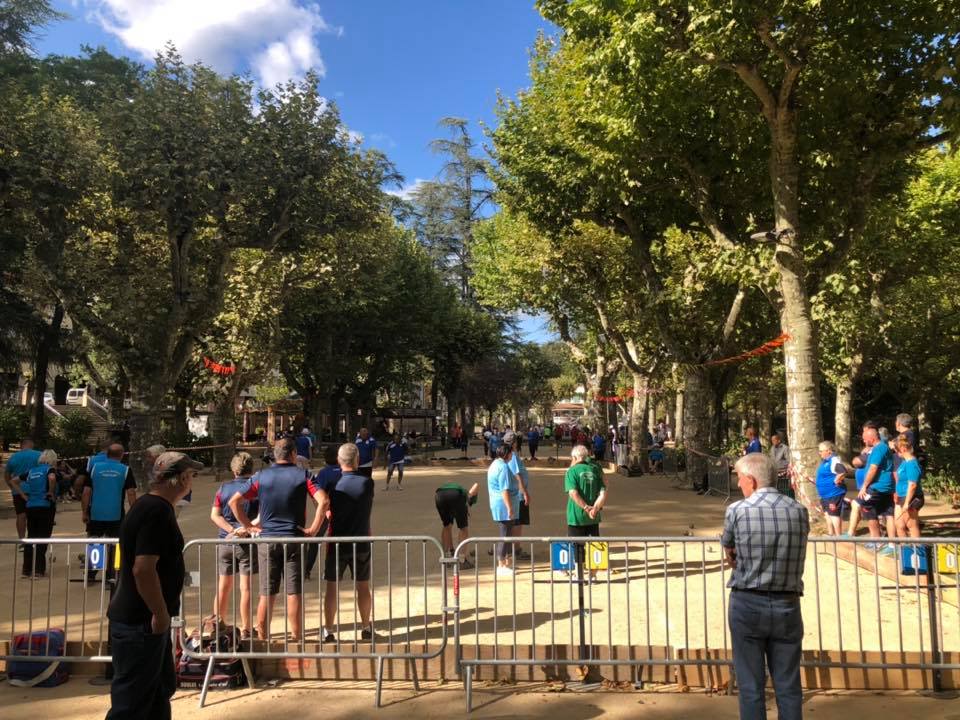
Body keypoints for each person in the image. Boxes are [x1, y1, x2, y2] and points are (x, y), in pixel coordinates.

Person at [105, 451, 199, 720]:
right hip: (140, 621)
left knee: (157, 693)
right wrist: (159, 612)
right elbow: (143, 569)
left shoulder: (150, 506)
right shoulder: (155, 511)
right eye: (191, 475)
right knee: (132, 702)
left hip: (144, 621)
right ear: (180, 478)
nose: (192, 481)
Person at [722, 453, 809, 720]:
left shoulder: (737, 510)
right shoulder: (799, 510)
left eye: (739, 478)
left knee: (750, 686)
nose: (738, 485)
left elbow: (729, 548)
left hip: (748, 602)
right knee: (788, 685)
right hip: (787, 603)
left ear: (751, 480)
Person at [229, 437, 326, 641]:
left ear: (275, 455)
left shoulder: (260, 476)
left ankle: (263, 638)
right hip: (294, 538)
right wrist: (314, 529)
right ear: (293, 455)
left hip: (267, 540)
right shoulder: (304, 475)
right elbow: (323, 500)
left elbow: (234, 502)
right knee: (293, 592)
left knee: (267, 593)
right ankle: (296, 637)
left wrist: (248, 526)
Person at [321, 443, 375, 643]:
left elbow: (324, 506)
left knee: (332, 587)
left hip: (337, 540)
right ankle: (365, 626)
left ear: (339, 461)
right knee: (363, 585)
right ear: (357, 460)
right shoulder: (367, 483)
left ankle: (328, 629)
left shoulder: (333, 484)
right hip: (361, 538)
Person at [210, 452, 260, 639]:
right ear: (251, 469)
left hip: (225, 540)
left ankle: (217, 624)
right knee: (245, 587)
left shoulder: (223, 488)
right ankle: (247, 627)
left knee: (223, 585)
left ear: (233, 470)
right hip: (247, 542)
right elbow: (261, 515)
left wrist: (231, 530)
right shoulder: (255, 488)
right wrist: (246, 528)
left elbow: (215, 515)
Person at [82, 442, 137, 582]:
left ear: (107, 454)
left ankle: (91, 574)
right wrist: (135, 512)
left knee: (95, 542)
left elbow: (86, 492)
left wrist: (84, 512)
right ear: (122, 455)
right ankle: (112, 575)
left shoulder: (94, 469)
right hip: (116, 513)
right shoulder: (125, 470)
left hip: (96, 512)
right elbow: (131, 493)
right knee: (116, 544)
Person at [12, 449, 57, 577]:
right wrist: (51, 492)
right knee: (43, 537)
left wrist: (22, 495)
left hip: (31, 505)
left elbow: (14, 481)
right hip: (45, 506)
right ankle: (38, 569)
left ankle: (26, 569)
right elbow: (52, 478)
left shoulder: (32, 471)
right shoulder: (49, 469)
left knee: (31, 536)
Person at [564, 444, 608, 576]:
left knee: (578, 545)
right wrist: (595, 507)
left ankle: (579, 573)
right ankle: (593, 573)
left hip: (576, 515)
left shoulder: (571, 472)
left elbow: (573, 493)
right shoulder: (594, 469)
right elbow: (603, 491)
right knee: (594, 543)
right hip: (593, 515)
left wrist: (585, 507)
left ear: (575, 457)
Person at [857, 422, 897, 550]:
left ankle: (876, 541)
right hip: (886, 487)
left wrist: (864, 486)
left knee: (866, 507)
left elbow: (873, 468)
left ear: (872, 438)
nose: (863, 440)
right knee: (889, 513)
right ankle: (892, 544)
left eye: (864, 438)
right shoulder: (882, 447)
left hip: (877, 487)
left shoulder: (879, 448)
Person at [305, 445, 340, 580]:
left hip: (327, 511)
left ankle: (307, 569)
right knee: (340, 540)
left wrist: (321, 509)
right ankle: (332, 569)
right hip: (342, 512)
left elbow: (316, 495)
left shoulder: (324, 473)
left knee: (316, 539)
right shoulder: (344, 471)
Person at [487, 444, 520, 577]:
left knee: (506, 533)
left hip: (497, 502)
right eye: (511, 454)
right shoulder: (503, 467)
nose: (512, 456)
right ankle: (500, 564)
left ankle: (504, 562)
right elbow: (504, 489)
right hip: (503, 504)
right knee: (505, 534)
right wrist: (509, 507)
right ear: (507, 454)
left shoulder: (495, 464)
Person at [435, 480, 479, 566]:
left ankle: (446, 556)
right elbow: (476, 486)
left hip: (439, 495)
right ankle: (462, 560)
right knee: (463, 528)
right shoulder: (466, 494)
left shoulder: (459, 489)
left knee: (447, 526)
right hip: (455, 495)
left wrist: (452, 549)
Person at [4, 436, 41, 539]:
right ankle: (34, 539)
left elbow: (7, 475)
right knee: (35, 515)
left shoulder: (13, 457)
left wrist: (11, 487)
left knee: (21, 515)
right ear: (31, 444)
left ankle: (22, 540)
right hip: (36, 489)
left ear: (21, 445)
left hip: (18, 489)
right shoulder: (39, 455)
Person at [503, 431, 532, 558]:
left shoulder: (509, 455)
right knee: (518, 523)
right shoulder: (513, 456)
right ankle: (515, 549)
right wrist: (524, 492)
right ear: (514, 443)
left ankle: (508, 548)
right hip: (518, 494)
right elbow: (517, 475)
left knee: (514, 523)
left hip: (515, 493)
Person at [814, 441, 847, 536]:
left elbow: (843, 471)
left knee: (834, 515)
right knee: (827, 515)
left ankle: (838, 536)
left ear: (828, 451)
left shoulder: (834, 460)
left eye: (821, 451)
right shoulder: (825, 462)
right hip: (825, 495)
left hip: (833, 494)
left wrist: (836, 480)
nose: (819, 453)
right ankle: (831, 534)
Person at [894, 434, 924, 540]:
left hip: (911, 498)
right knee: (899, 525)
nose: (896, 454)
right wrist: (896, 493)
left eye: (896, 451)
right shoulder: (904, 462)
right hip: (901, 496)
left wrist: (907, 503)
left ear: (903, 449)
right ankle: (905, 551)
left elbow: (912, 485)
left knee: (911, 525)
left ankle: (917, 551)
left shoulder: (912, 463)